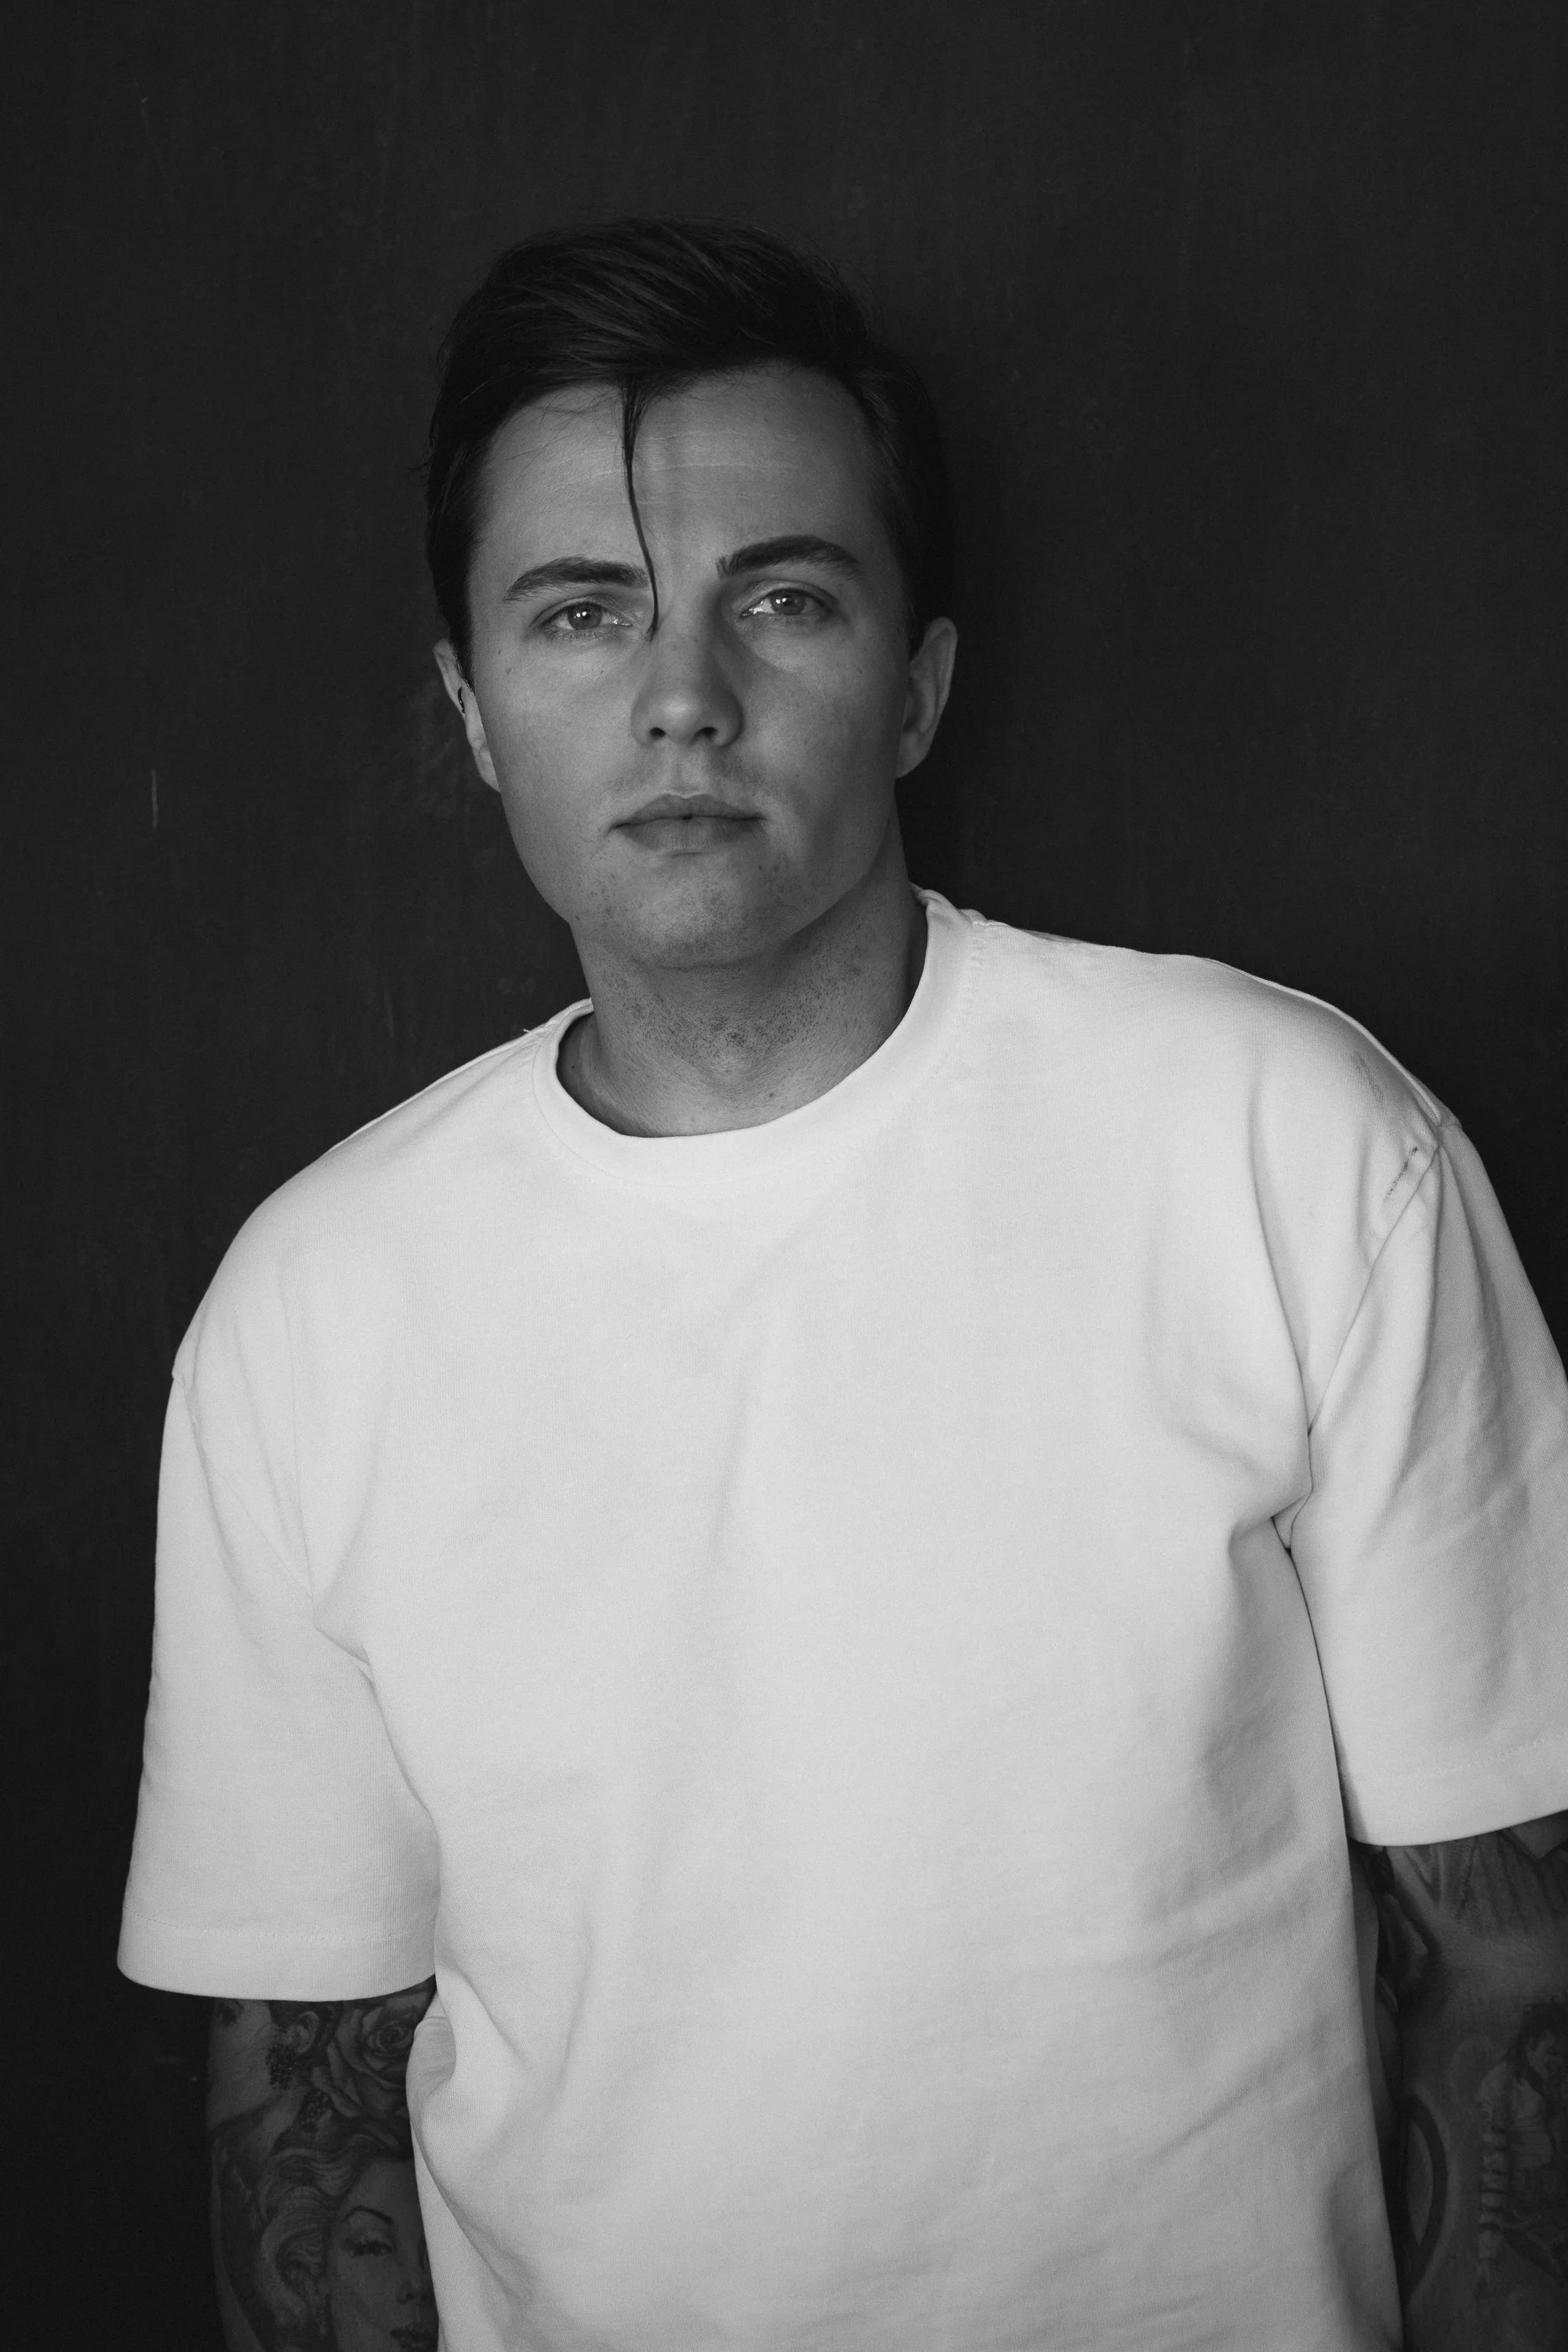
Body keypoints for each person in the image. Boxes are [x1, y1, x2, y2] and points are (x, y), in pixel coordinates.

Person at [118, 217, 1568, 2350]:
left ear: (921, 685)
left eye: (781, 598)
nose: (683, 699)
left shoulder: (1286, 1142)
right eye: (580, 613)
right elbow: (305, 2104)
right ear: (470, 707)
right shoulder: (311, 1315)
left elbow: (1514, 1960)